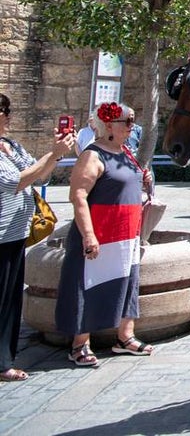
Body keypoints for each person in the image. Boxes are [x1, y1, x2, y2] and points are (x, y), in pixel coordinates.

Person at [56, 101, 154, 367]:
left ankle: (125, 336)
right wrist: (88, 235)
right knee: (87, 285)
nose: (132, 127)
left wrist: (142, 179)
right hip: (101, 232)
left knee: (128, 283)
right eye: (127, 122)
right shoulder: (92, 155)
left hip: (125, 234)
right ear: (109, 125)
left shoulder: (125, 152)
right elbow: (78, 195)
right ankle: (80, 344)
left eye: (133, 121)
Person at [0, 93, 75, 381]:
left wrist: (57, 153)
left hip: (16, 233)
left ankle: (5, 358)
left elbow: (39, 175)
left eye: (8, 109)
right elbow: (16, 182)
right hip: (1, 234)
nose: (8, 116)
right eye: (4, 111)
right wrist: (53, 153)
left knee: (10, 300)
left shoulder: (11, 146)